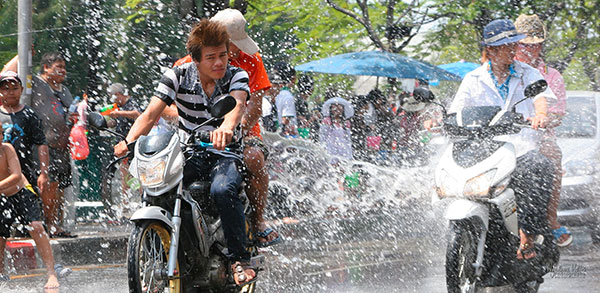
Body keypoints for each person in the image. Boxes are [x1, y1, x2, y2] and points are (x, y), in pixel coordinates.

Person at [114, 19, 255, 285]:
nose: (219, 63)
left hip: (226, 153)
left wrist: (225, 128)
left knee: (222, 190)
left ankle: (239, 257)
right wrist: (129, 141)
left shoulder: (237, 76)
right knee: (158, 188)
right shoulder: (176, 76)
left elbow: (236, 107)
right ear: (195, 58)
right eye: (211, 57)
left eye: (223, 55)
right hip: (188, 151)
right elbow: (150, 114)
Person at [446, 19, 557, 259]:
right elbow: (456, 111)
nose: (513, 50)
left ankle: (528, 232)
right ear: (492, 50)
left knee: (541, 166)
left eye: (514, 44)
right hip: (483, 149)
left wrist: (540, 115)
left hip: (521, 147)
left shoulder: (529, 73)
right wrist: (436, 121)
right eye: (507, 46)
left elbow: (540, 98)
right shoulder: (473, 78)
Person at [170, 8, 281, 247]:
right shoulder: (186, 65)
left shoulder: (251, 61)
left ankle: (258, 220)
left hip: (241, 133)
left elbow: (253, 107)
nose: (239, 50)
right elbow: (166, 108)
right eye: (235, 44)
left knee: (253, 158)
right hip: (193, 135)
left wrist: (233, 128)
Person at [515, 14, 572, 247]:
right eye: (525, 45)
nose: (531, 50)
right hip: (504, 136)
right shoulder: (500, 71)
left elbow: (557, 111)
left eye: (535, 45)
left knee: (552, 154)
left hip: (537, 138)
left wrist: (544, 119)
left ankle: (550, 217)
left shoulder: (551, 75)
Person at [0, 125, 59, 288]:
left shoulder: (7, 149)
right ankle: (1, 273)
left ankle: (51, 273)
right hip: (2, 195)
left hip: (21, 191)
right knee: (0, 233)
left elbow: (16, 176)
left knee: (36, 227)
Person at [31, 52, 76, 238]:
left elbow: (73, 110)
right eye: (58, 67)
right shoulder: (36, 84)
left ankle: (58, 226)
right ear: (46, 68)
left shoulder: (64, 90)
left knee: (61, 187)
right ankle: (50, 225)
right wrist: (24, 53)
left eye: (64, 67)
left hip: (63, 146)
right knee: (48, 185)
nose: (63, 71)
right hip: (43, 145)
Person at [0, 71, 50, 197]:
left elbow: (41, 143)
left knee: (30, 209)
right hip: (3, 176)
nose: (11, 92)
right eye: (6, 89)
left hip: (25, 172)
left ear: (21, 90)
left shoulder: (29, 114)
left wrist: (44, 173)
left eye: (15, 88)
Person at [271, 62, 298, 137]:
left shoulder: (273, 92)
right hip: (284, 137)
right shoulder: (288, 96)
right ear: (293, 78)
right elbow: (286, 119)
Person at [295, 74, 314, 139]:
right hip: (300, 132)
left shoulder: (297, 98)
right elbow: (300, 117)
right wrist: (312, 118)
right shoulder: (300, 101)